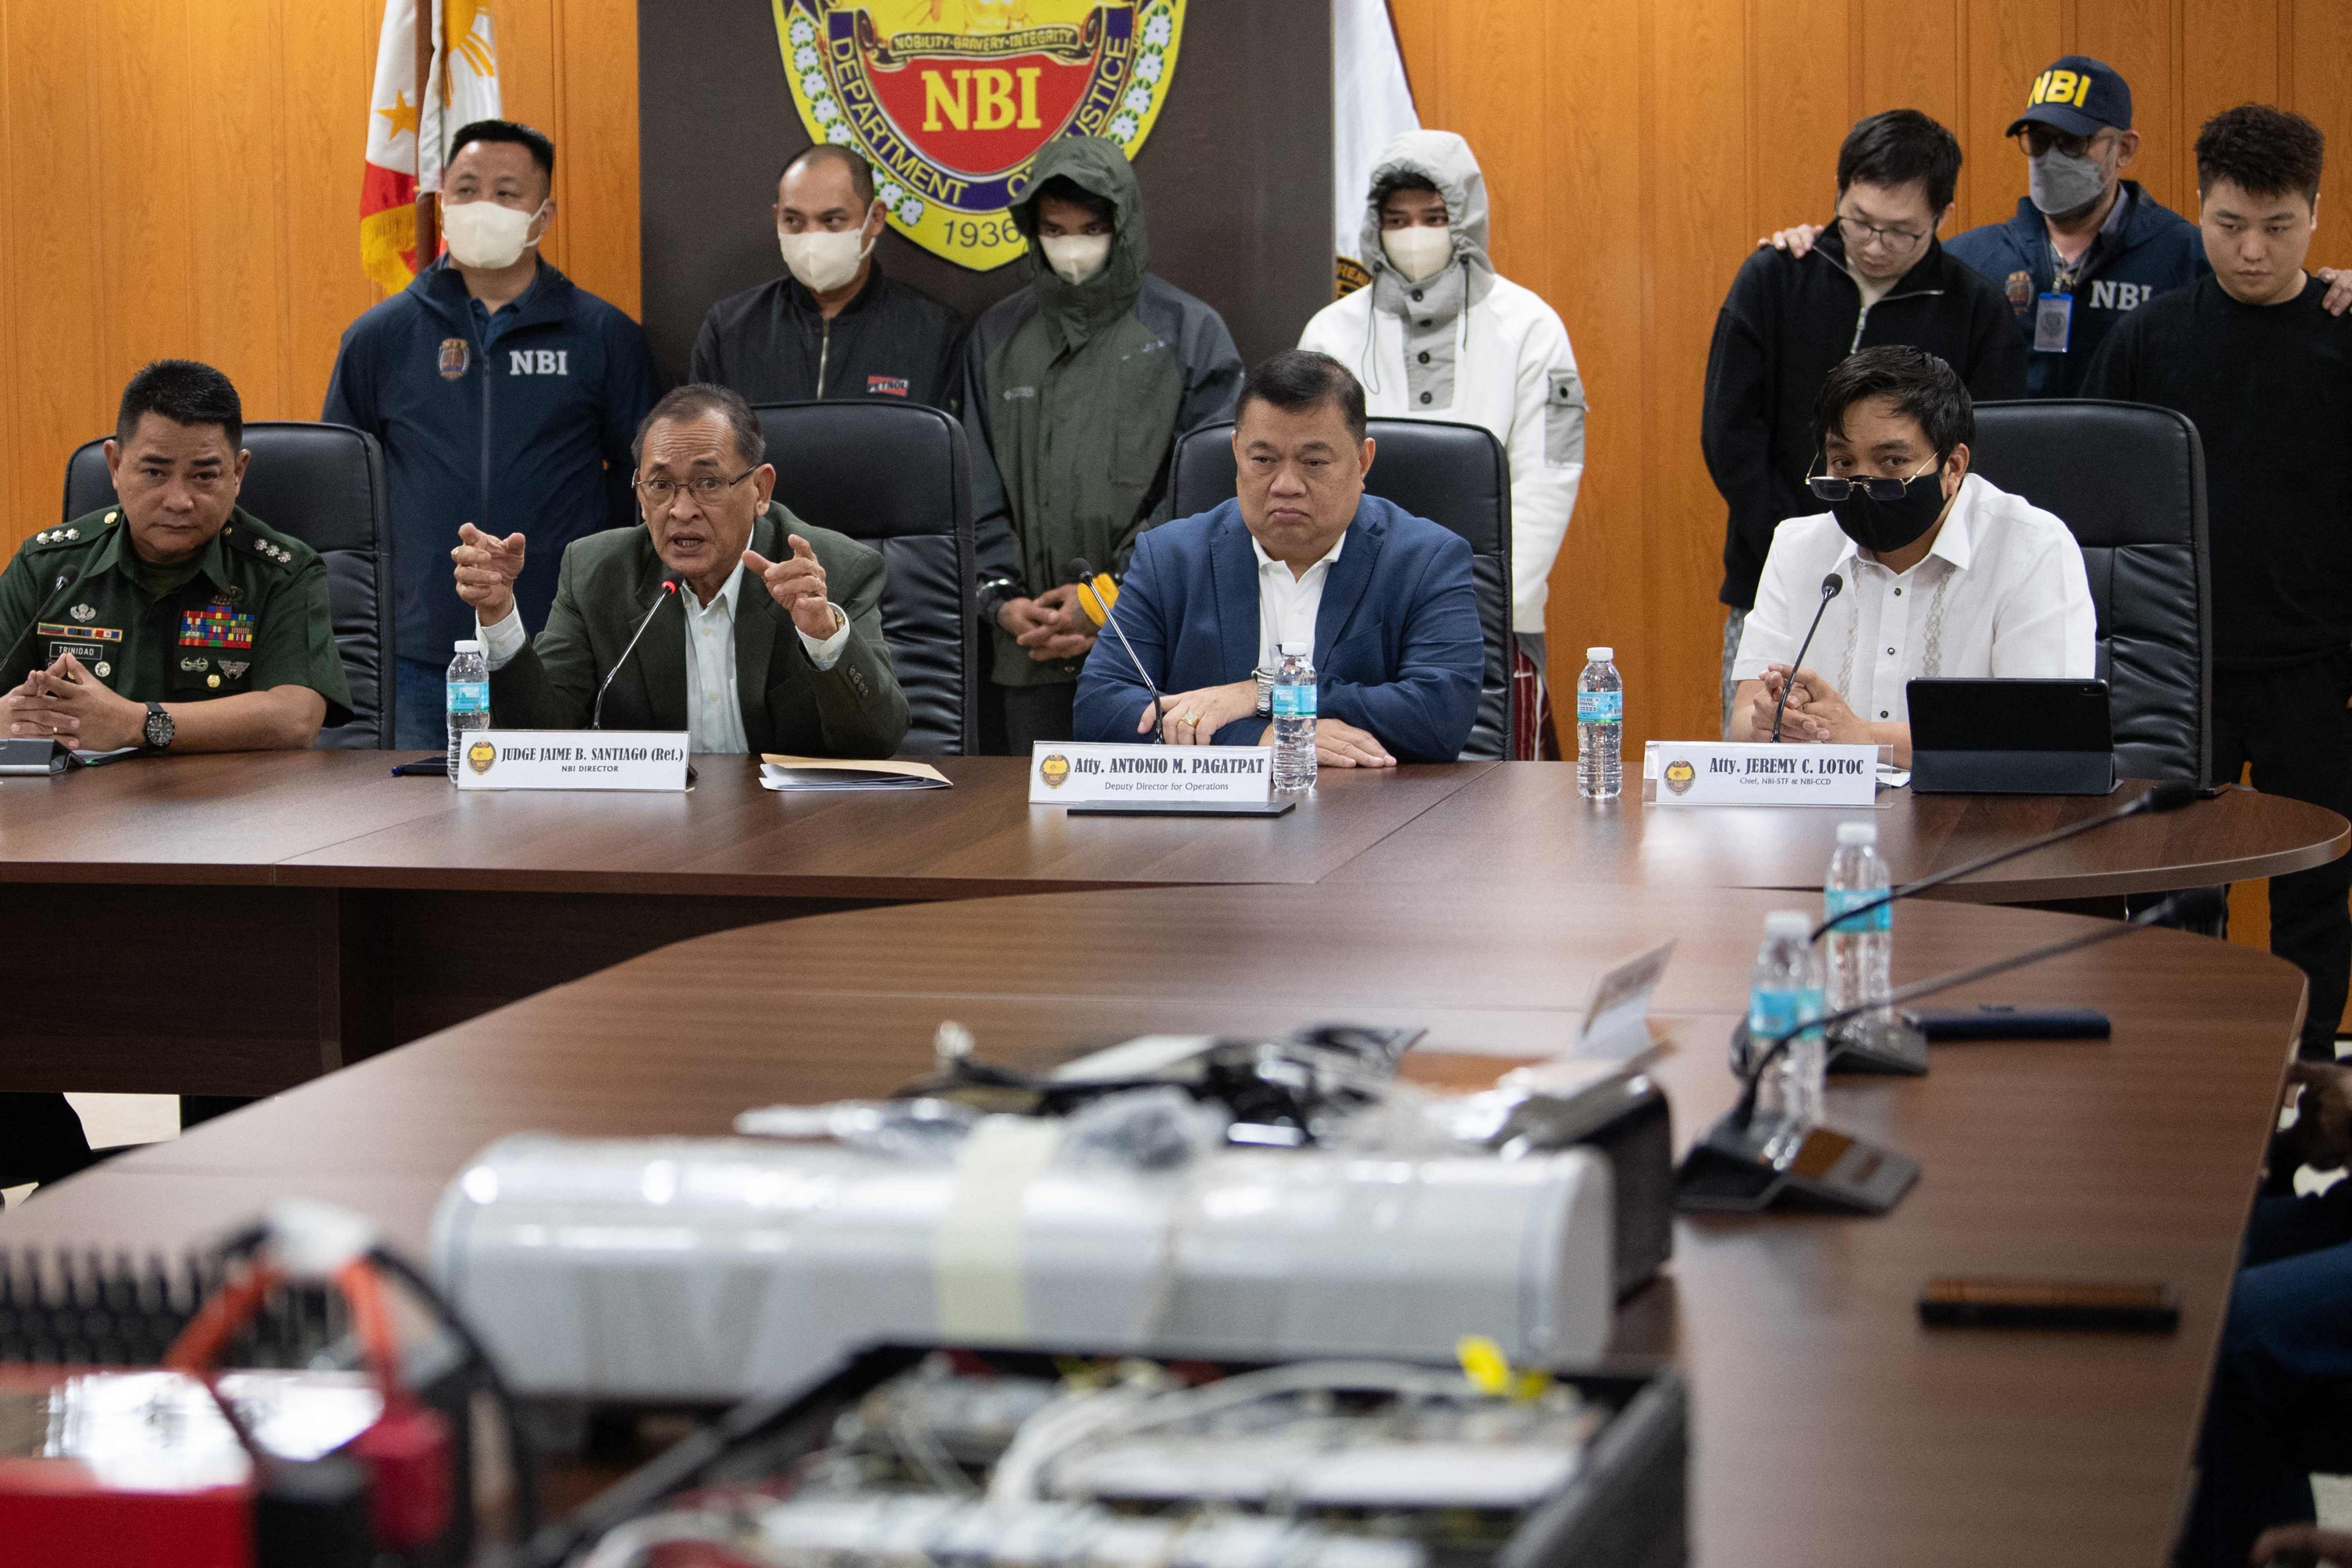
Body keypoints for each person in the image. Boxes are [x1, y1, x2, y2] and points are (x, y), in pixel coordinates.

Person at [0, 360, 354, 1191]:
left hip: (234, 883)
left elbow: (297, 713)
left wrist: (137, 722)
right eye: (154, 471)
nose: (180, 498)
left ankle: (217, 1187)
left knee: (239, 1063)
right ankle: (63, 1167)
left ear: (239, 471)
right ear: (116, 463)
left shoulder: (280, 567)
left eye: (204, 475)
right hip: (64, 873)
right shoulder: (52, 566)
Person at [2084, 104, 2352, 1063]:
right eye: (2230, 224)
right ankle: (2174, 1056)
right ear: (2200, 210)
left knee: (2314, 886)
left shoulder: (2341, 336)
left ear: (2315, 215)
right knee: (2173, 882)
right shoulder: (2150, 341)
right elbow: (2098, 508)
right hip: (2175, 668)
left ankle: (2310, 1069)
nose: (2251, 251)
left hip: (2314, 670)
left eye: (2278, 228)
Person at [324, 118, 662, 750]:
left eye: (507, 194)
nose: (485, 207)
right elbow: (342, 498)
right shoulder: (380, 337)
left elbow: (647, 489)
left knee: (557, 837)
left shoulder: (604, 336)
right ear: (443, 203)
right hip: (418, 653)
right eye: (467, 190)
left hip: (561, 646)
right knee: (420, 835)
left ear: (543, 213)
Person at [1703, 110, 2028, 735]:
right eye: (1859, 222)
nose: (1875, 245)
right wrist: (1801, 540)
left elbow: (1982, 451)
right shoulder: (1775, 276)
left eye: (1901, 232)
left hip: (1926, 578)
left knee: (1907, 763)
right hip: (1779, 569)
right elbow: (1728, 429)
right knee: (1768, 754)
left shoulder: (1974, 309)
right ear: (1837, 192)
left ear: (1942, 216)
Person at [1756, 58, 2352, 397]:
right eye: (2039, 141)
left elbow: (2273, 314)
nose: (2052, 158)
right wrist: (1819, 245)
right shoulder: (1971, 259)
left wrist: (2331, 287)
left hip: (2131, 517)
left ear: (2123, 149)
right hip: (1997, 509)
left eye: (2073, 142)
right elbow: (1877, 263)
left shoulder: (2192, 254)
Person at [1297, 129, 1583, 752]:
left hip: (1493, 623)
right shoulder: (1331, 330)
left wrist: (1484, 609)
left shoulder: (1531, 326)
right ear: (1374, 225)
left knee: (1496, 818)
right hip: (1350, 620)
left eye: (1434, 217)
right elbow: (1307, 478)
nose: (1415, 232)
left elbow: (1549, 476)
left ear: (1466, 219)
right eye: (1397, 219)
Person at [960, 135, 1243, 753]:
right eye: (1054, 229)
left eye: (1089, 227)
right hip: (1027, 648)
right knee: (1036, 837)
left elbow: (1206, 492)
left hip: (1157, 644)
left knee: (1160, 841)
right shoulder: (997, 338)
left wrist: (1109, 596)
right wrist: (1002, 601)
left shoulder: (1188, 332)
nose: (1073, 246)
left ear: (1122, 226)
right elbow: (969, 483)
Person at [1071, 350, 1481, 765]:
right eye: (1263, 460)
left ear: (1362, 462)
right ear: (1237, 453)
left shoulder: (1426, 558)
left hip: (1371, 814)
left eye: (1314, 462)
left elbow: (1440, 715)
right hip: (1212, 825)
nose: (1286, 485)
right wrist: (1261, 740)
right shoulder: (1170, 558)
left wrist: (1262, 694)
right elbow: (1101, 711)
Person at [452, 383, 908, 755]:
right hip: (653, 839)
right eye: (661, 485)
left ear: (761, 490)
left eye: (708, 482)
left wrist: (824, 636)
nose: (681, 509)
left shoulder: (829, 571)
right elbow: (543, 739)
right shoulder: (596, 573)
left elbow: (879, 740)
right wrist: (498, 614)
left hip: (796, 836)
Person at [1727, 344, 2093, 769]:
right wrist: (1776, 722)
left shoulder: (2032, 547)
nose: (1864, 481)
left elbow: (2046, 735)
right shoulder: (1798, 548)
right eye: (1844, 462)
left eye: (1893, 461)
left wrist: (1863, 737)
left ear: (1953, 466)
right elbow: (1741, 723)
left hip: (1982, 826)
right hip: (1826, 826)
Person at [690, 144, 965, 410]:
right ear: (777, 218)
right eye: (793, 221)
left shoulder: (934, 333)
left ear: (876, 219)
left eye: (832, 221)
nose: (812, 237)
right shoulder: (730, 330)